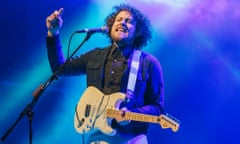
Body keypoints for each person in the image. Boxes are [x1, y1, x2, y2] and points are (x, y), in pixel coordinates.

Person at [46, 4, 164, 144]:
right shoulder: (95, 56)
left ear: (138, 31)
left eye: (128, 21)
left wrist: (133, 114)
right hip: (98, 137)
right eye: (119, 19)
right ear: (111, 26)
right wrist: (53, 34)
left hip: (132, 138)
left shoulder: (149, 63)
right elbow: (60, 69)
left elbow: (157, 107)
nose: (122, 23)